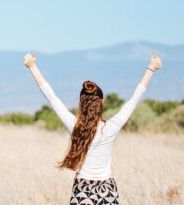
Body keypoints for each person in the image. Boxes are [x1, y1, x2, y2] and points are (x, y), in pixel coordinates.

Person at [23, 51, 162, 205]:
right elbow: (135, 99)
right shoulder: (112, 127)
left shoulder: (75, 127)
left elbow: (51, 97)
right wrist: (151, 69)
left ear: (81, 103)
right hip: (107, 190)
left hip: (82, 190)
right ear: (102, 102)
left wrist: (33, 67)